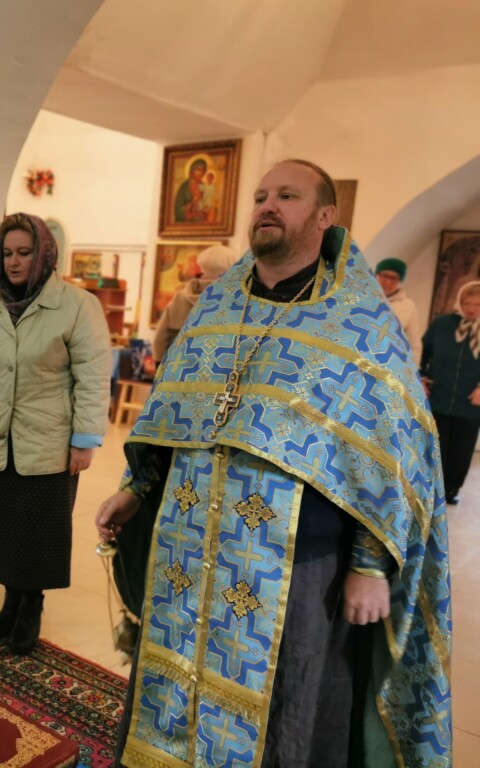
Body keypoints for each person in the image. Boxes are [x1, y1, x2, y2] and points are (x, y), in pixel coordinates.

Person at [96, 160, 450, 767]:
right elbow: (171, 412)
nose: (267, 205)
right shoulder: (215, 308)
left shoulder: (360, 323)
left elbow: (389, 452)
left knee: (288, 707)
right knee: (174, 681)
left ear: (325, 215)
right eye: (261, 195)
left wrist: (369, 565)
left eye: (287, 195)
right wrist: (137, 485)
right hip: (187, 546)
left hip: (294, 561)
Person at [0, 213, 111, 655]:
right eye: (7, 253)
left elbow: (92, 377)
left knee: (37, 533)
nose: (14, 262)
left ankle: (30, 608)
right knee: (4, 530)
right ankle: (10, 603)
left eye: (24, 252)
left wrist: (84, 439)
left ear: (44, 254)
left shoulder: (77, 306)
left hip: (50, 442)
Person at [421, 279, 480, 505]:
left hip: (471, 403)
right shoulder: (443, 324)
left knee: (461, 450)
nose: (471, 309)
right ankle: (432, 488)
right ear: (460, 302)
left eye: (478, 304)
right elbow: (425, 352)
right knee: (437, 446)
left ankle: (452, 488)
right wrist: (421, 378)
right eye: (467, 303)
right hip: (439, 396)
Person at [151, 244, 239, 364]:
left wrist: (160, 366)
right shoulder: (235, 300)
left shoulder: (180, 298)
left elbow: (159, 340)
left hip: (177, 368)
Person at [375, 257, 423, 363]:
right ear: (376, 275)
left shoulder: (408, 307)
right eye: (384, 276)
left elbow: (414, 346)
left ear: (400, 281)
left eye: (393, 278)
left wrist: (411, 370)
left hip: (388, 364)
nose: (387, 282)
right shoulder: (361, 298)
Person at [174, 158, 209, 223]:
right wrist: (192, 203)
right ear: (192, 170)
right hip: (185, 222)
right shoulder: (184, 187)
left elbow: (207, 203)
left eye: (203, 170)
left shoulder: (205, 187)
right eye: (198, 170)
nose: (201, 173)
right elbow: (178, 210)